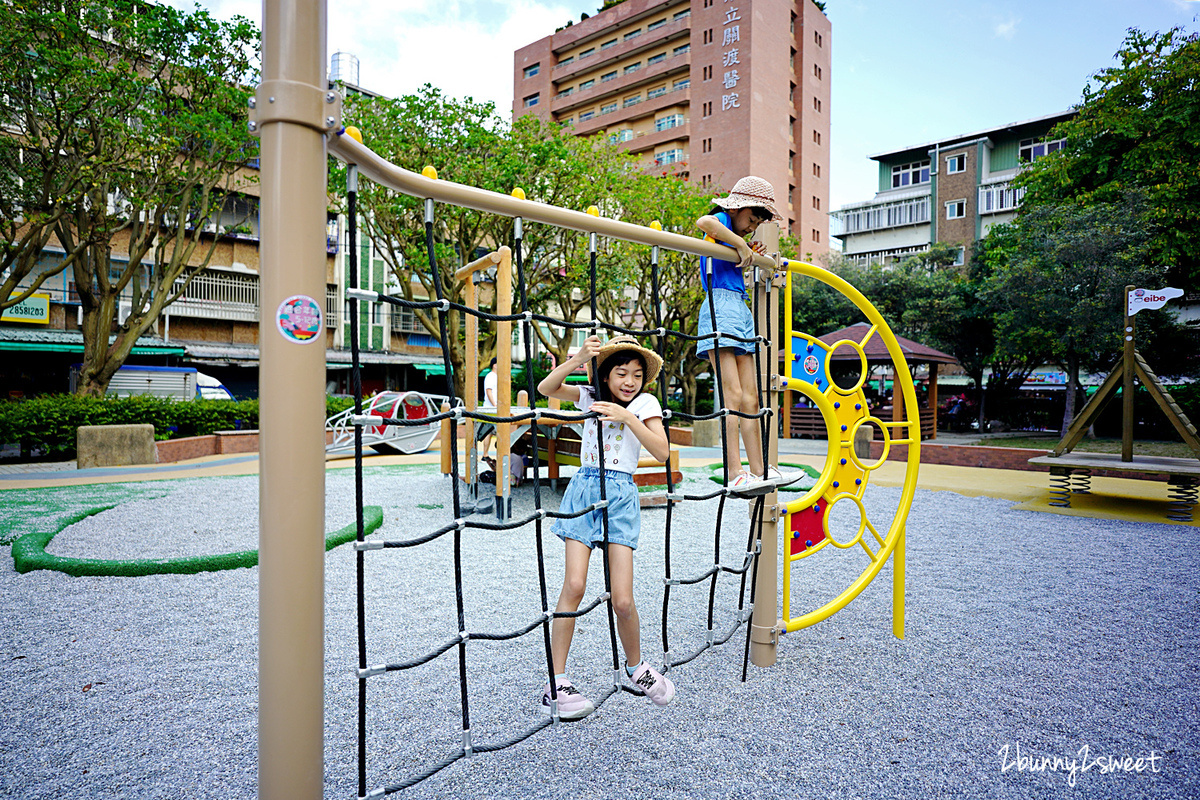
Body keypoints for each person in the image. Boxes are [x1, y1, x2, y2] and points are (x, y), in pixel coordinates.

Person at [536, 334, 675, 719]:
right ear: (606, 375)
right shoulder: (590, 396)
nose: (628, 382)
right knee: (575, 585)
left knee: (623, 599)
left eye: (635, 375)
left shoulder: (646, 403)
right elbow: (546, 387)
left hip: (620, 494)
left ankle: (637, 667)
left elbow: (662, 452)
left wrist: (628, 417)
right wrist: (579, 358)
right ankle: (556, 680)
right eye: (620, 373)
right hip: (584, 489)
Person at [695, 176, 783, 487]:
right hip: (719, 304)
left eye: (758, 223)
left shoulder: (733, 236)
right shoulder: (720, 220)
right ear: (738, 208)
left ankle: (760, 469)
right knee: (731, 394)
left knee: (752, 398)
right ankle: (734, 472)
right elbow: (703, 220)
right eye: (751, 219)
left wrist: (744, 252)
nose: (752, 227)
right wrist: (739, 242)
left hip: (739, 308)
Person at [478, 357, 498, 468]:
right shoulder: (491, 376)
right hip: (491, 408)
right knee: (489, 431)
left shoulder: (496, 377)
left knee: (489, 432)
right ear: (494, 365)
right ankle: (485, 453)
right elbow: (489, 391)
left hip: (494, 407)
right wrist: (494, 405)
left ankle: (485, 454)